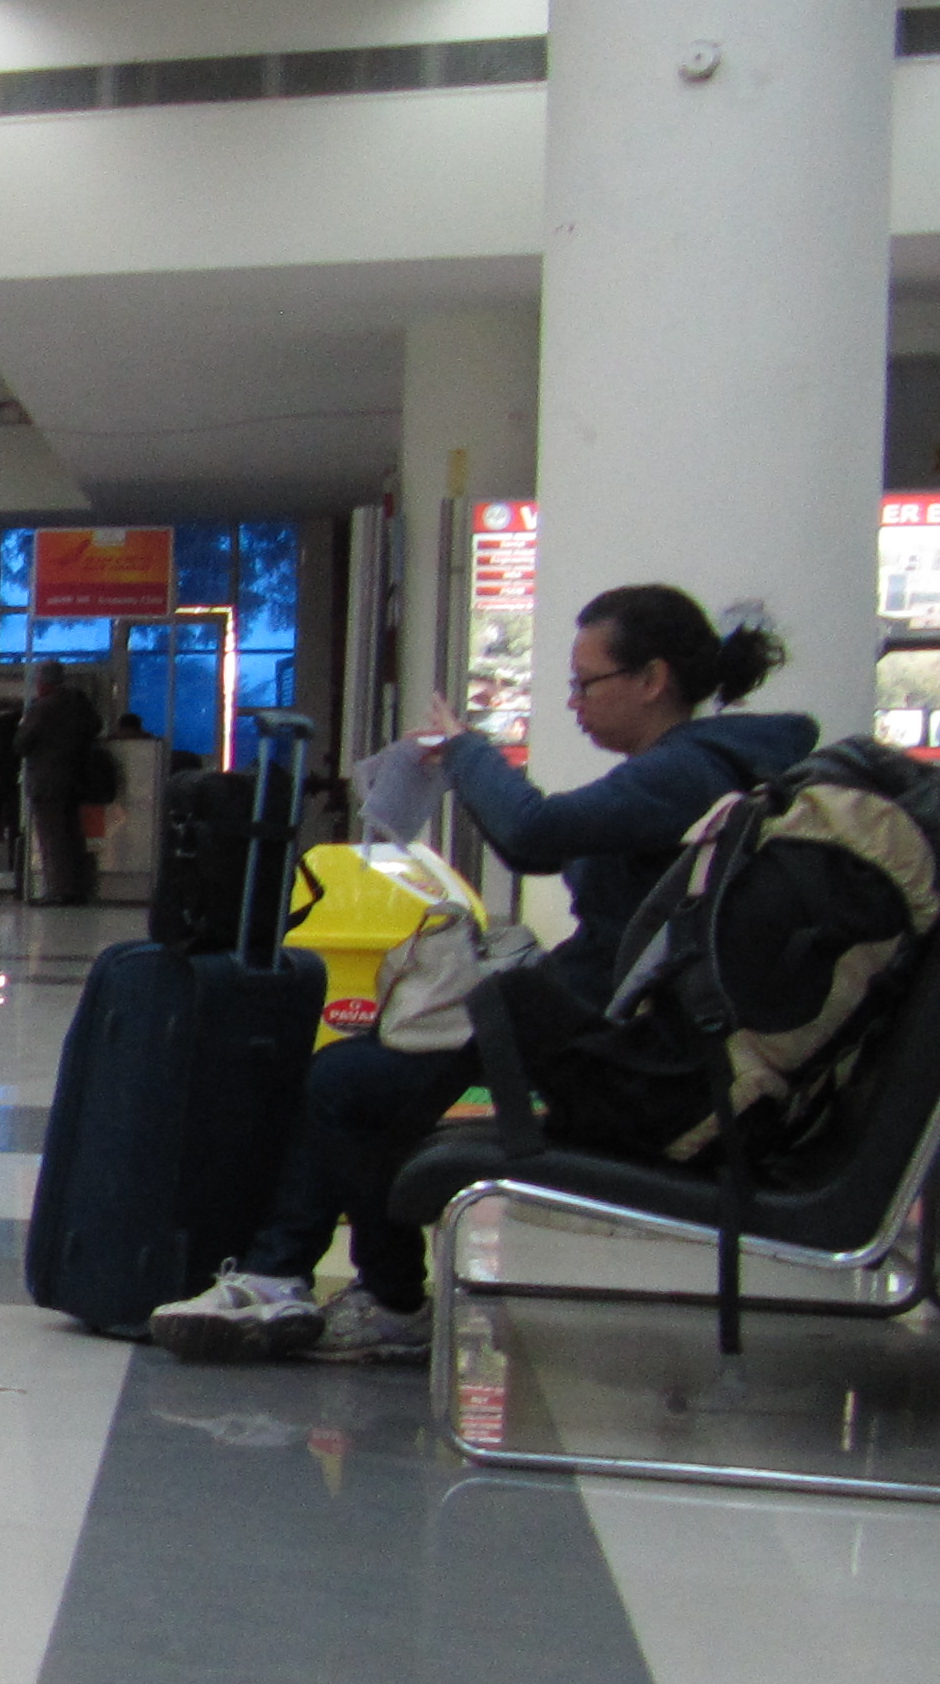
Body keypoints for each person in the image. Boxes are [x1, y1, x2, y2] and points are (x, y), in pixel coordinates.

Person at [152, 584, 812, 1365]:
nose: (573, 702)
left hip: (621, 1059)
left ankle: (338, 1289)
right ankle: (304, 1278)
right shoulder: (710, 764)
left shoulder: (686, 774)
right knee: (371, 1074)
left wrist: (466, 751)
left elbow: (535, 833)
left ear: (652, 678)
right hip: (618, 1033)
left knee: (350, 1084)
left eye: (585, 682)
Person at [22, 660, 105, 903]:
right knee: (72, 835)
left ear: (43, 681)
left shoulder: (42, 708)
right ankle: (77, 888)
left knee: (52, 837)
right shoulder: (80, 704)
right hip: (75, 780)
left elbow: (21, 742)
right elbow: (95, 727)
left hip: (47, 782)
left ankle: (59, 891)